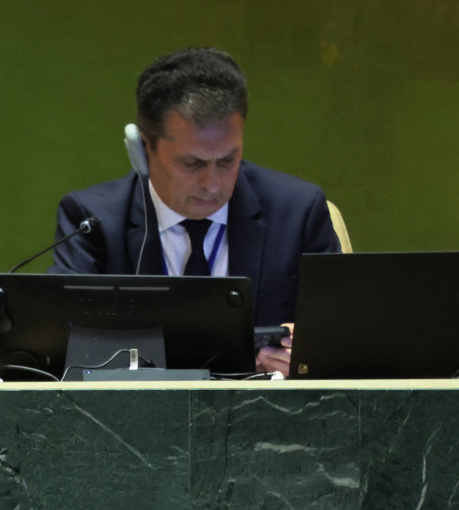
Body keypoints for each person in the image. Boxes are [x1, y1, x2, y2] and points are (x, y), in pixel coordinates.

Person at [49, 47, 341, 374]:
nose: (213, 184)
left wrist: (309, 356)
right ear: (142, 149)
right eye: (192, 163)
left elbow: (344, 340)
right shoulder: (92, 222)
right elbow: (63, 351)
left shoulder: (297, 213)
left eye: (228, 160)